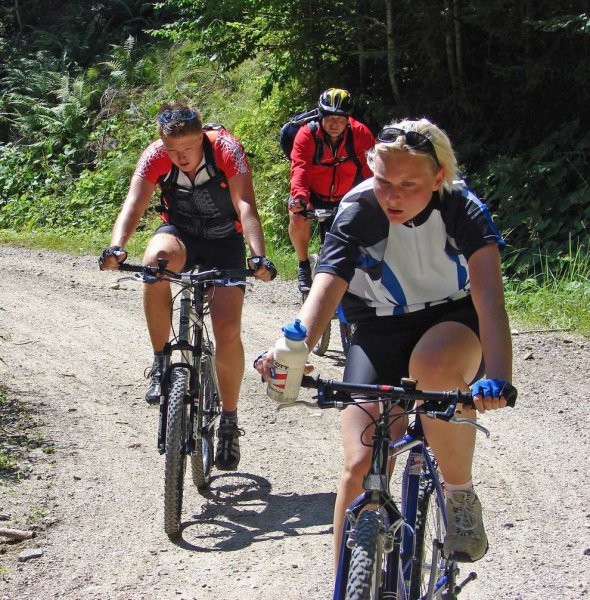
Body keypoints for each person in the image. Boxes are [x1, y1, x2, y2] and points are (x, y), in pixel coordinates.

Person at [257, 117, 513, 567]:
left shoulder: (462, 208)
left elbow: (490, 299)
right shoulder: (358, 210)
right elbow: (327, 284)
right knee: (360, 464)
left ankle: (459, 496)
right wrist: (292, 350)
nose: (392, 196)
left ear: (438, 179)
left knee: (432, 368)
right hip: (377, 324)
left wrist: (496, 376)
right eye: (381, 180)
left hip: (452, 316)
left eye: (408, 184)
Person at [99, 102, 276, 471]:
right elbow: (134, 202)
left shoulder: (226, 149)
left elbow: (246, 205)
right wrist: (117, 246)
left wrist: (257, 257)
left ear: (202, 138)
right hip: (180, 235)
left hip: (225, 240)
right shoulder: (154, 156)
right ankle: (161, 359)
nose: (180, 157)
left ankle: (228, 419)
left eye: (188, 149)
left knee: (227, 330)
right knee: (154, 264)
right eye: (172, 150)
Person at [288, 88, 375, 292]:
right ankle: (303, 264)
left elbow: (372, 170)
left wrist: (376, 198)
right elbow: (300, 167)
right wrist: (299, 197)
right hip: (313, 194)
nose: (335, 124)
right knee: (297, 216)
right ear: (321, 116)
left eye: (340, 118)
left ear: (348, 119)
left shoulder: (360, 134)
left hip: (346, 195)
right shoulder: (307, 134)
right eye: (329, 118)